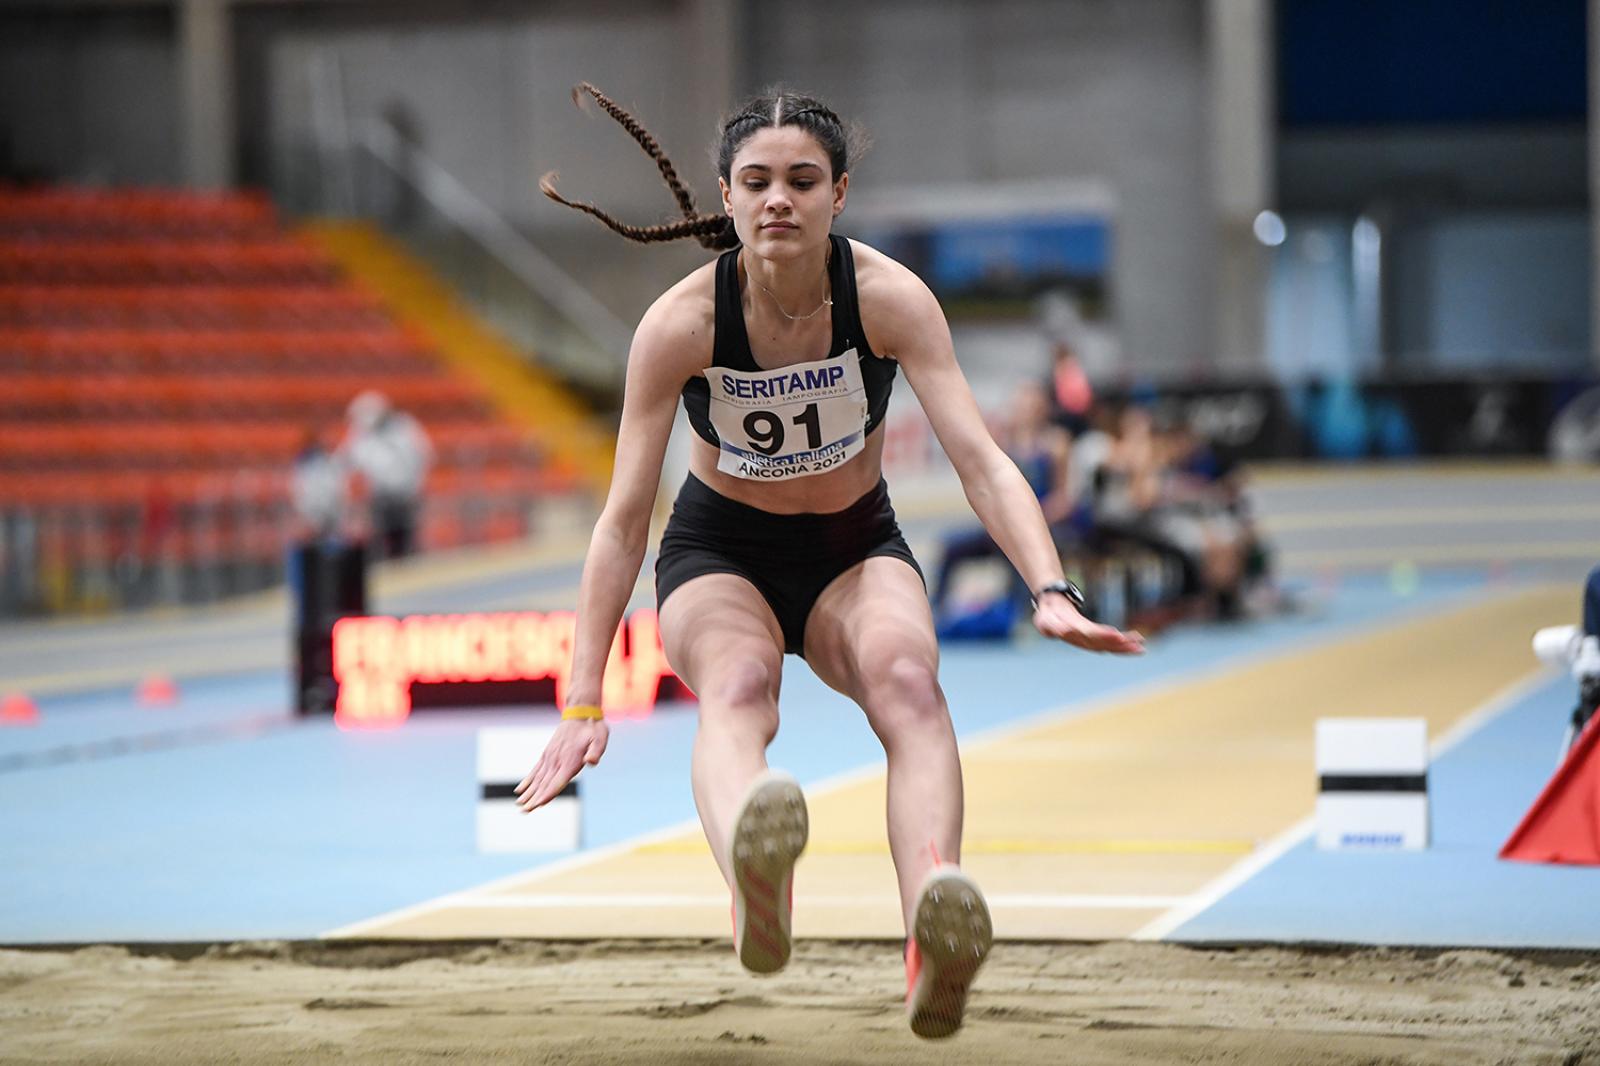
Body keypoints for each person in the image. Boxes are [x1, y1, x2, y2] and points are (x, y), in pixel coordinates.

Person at [515, 84, 1143, 1039]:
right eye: (757, 181)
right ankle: (755, 882)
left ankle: (935, 916)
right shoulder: (680, 326)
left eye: (802, 180)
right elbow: (621, 524)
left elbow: (981, 460)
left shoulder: (888, 299)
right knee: (739, 684)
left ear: (838, 194)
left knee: (910, 684)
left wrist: (1050, 588)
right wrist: (582, 698)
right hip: (721, 551)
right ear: (727, 196)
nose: (779, 198)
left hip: (854, 545)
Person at [340, 390, 433, 559]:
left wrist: (417, 484)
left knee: (406, 541)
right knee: (382, 542)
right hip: (380, 497)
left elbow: (424, 455)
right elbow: (345, 462)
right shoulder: (361, 435)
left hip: (406, 495)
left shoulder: (405, 427)